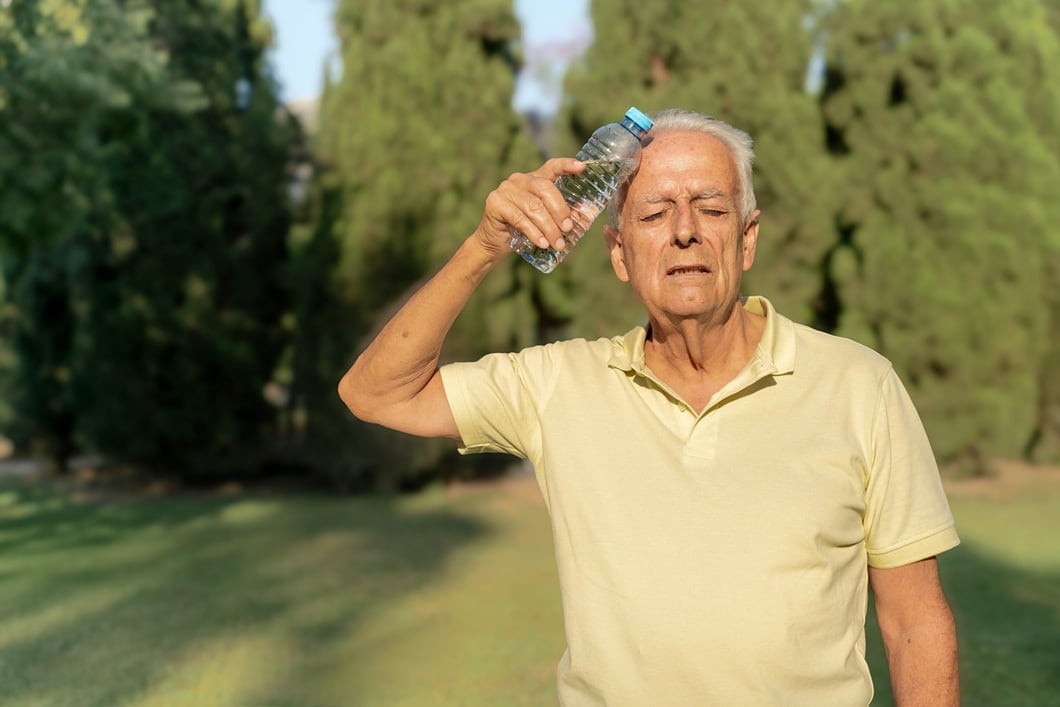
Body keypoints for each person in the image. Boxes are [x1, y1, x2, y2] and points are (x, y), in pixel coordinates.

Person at [339, 108, 960, 706]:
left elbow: (914, 621)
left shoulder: (859, 384)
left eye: (711, 208)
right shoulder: (558, 384)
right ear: (618, 253)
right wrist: (484, 246)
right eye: (655, 213)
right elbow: (376, 393)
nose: (684, 230)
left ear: (747, 240)